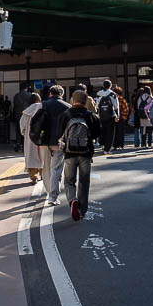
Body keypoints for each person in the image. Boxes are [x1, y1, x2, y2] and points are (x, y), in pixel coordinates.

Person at [57, 90, 101, 220]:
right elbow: (96, 133)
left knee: (69, 181)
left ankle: (72, 201)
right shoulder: (90, 115)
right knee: (84, 181)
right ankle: (82, 210)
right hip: (86, 153)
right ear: (85, 101)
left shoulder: (66, 115)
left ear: (72, 100)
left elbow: (59, 133)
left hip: (70, 153)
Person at [29, 84, 69, 205]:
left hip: (44, 141)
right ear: (61, 94)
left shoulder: (44, 104)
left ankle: (48, 190)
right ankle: (53, 196)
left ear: (50, 94)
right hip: (59, 142)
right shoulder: (68, 107)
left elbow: (35, 121)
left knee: (46, 167)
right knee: (56, 169)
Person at [19, 93, 43, 184]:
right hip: (42, 137)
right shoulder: (43, 108)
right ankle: (43, 174)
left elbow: (22, 126)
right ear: (39, 99)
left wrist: (25, 134)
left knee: (31, 157)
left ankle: (34, 177)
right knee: (42, 156)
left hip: (30, 138)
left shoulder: (26, 111)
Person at [96, 79, 119, 154]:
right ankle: (107, 149)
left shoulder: (98, 93)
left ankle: (102, 145)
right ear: (110, 86)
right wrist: (117, 116)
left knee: (103, 131)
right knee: (110, 133)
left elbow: (97, 106)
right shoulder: (112, 94)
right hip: (110, 116)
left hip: (101, 116)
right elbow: (116, 106)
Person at [12, 85, 31, 152]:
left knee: (18, 130)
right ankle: (24, 145)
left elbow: (14, 107)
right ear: (26, 88)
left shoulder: (16, 96)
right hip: (27, 116)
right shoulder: (29, 95)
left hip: (18, 116)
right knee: (26, 130)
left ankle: (18, 144)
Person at [113, 86, 129, 150]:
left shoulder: (112, 99)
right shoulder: (122, 99)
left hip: (114, 117)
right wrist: (124, 116)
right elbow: (126, 109)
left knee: (115, 132)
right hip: (122, 118)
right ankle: (121, 145)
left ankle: (115, 145)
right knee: (121, 132)